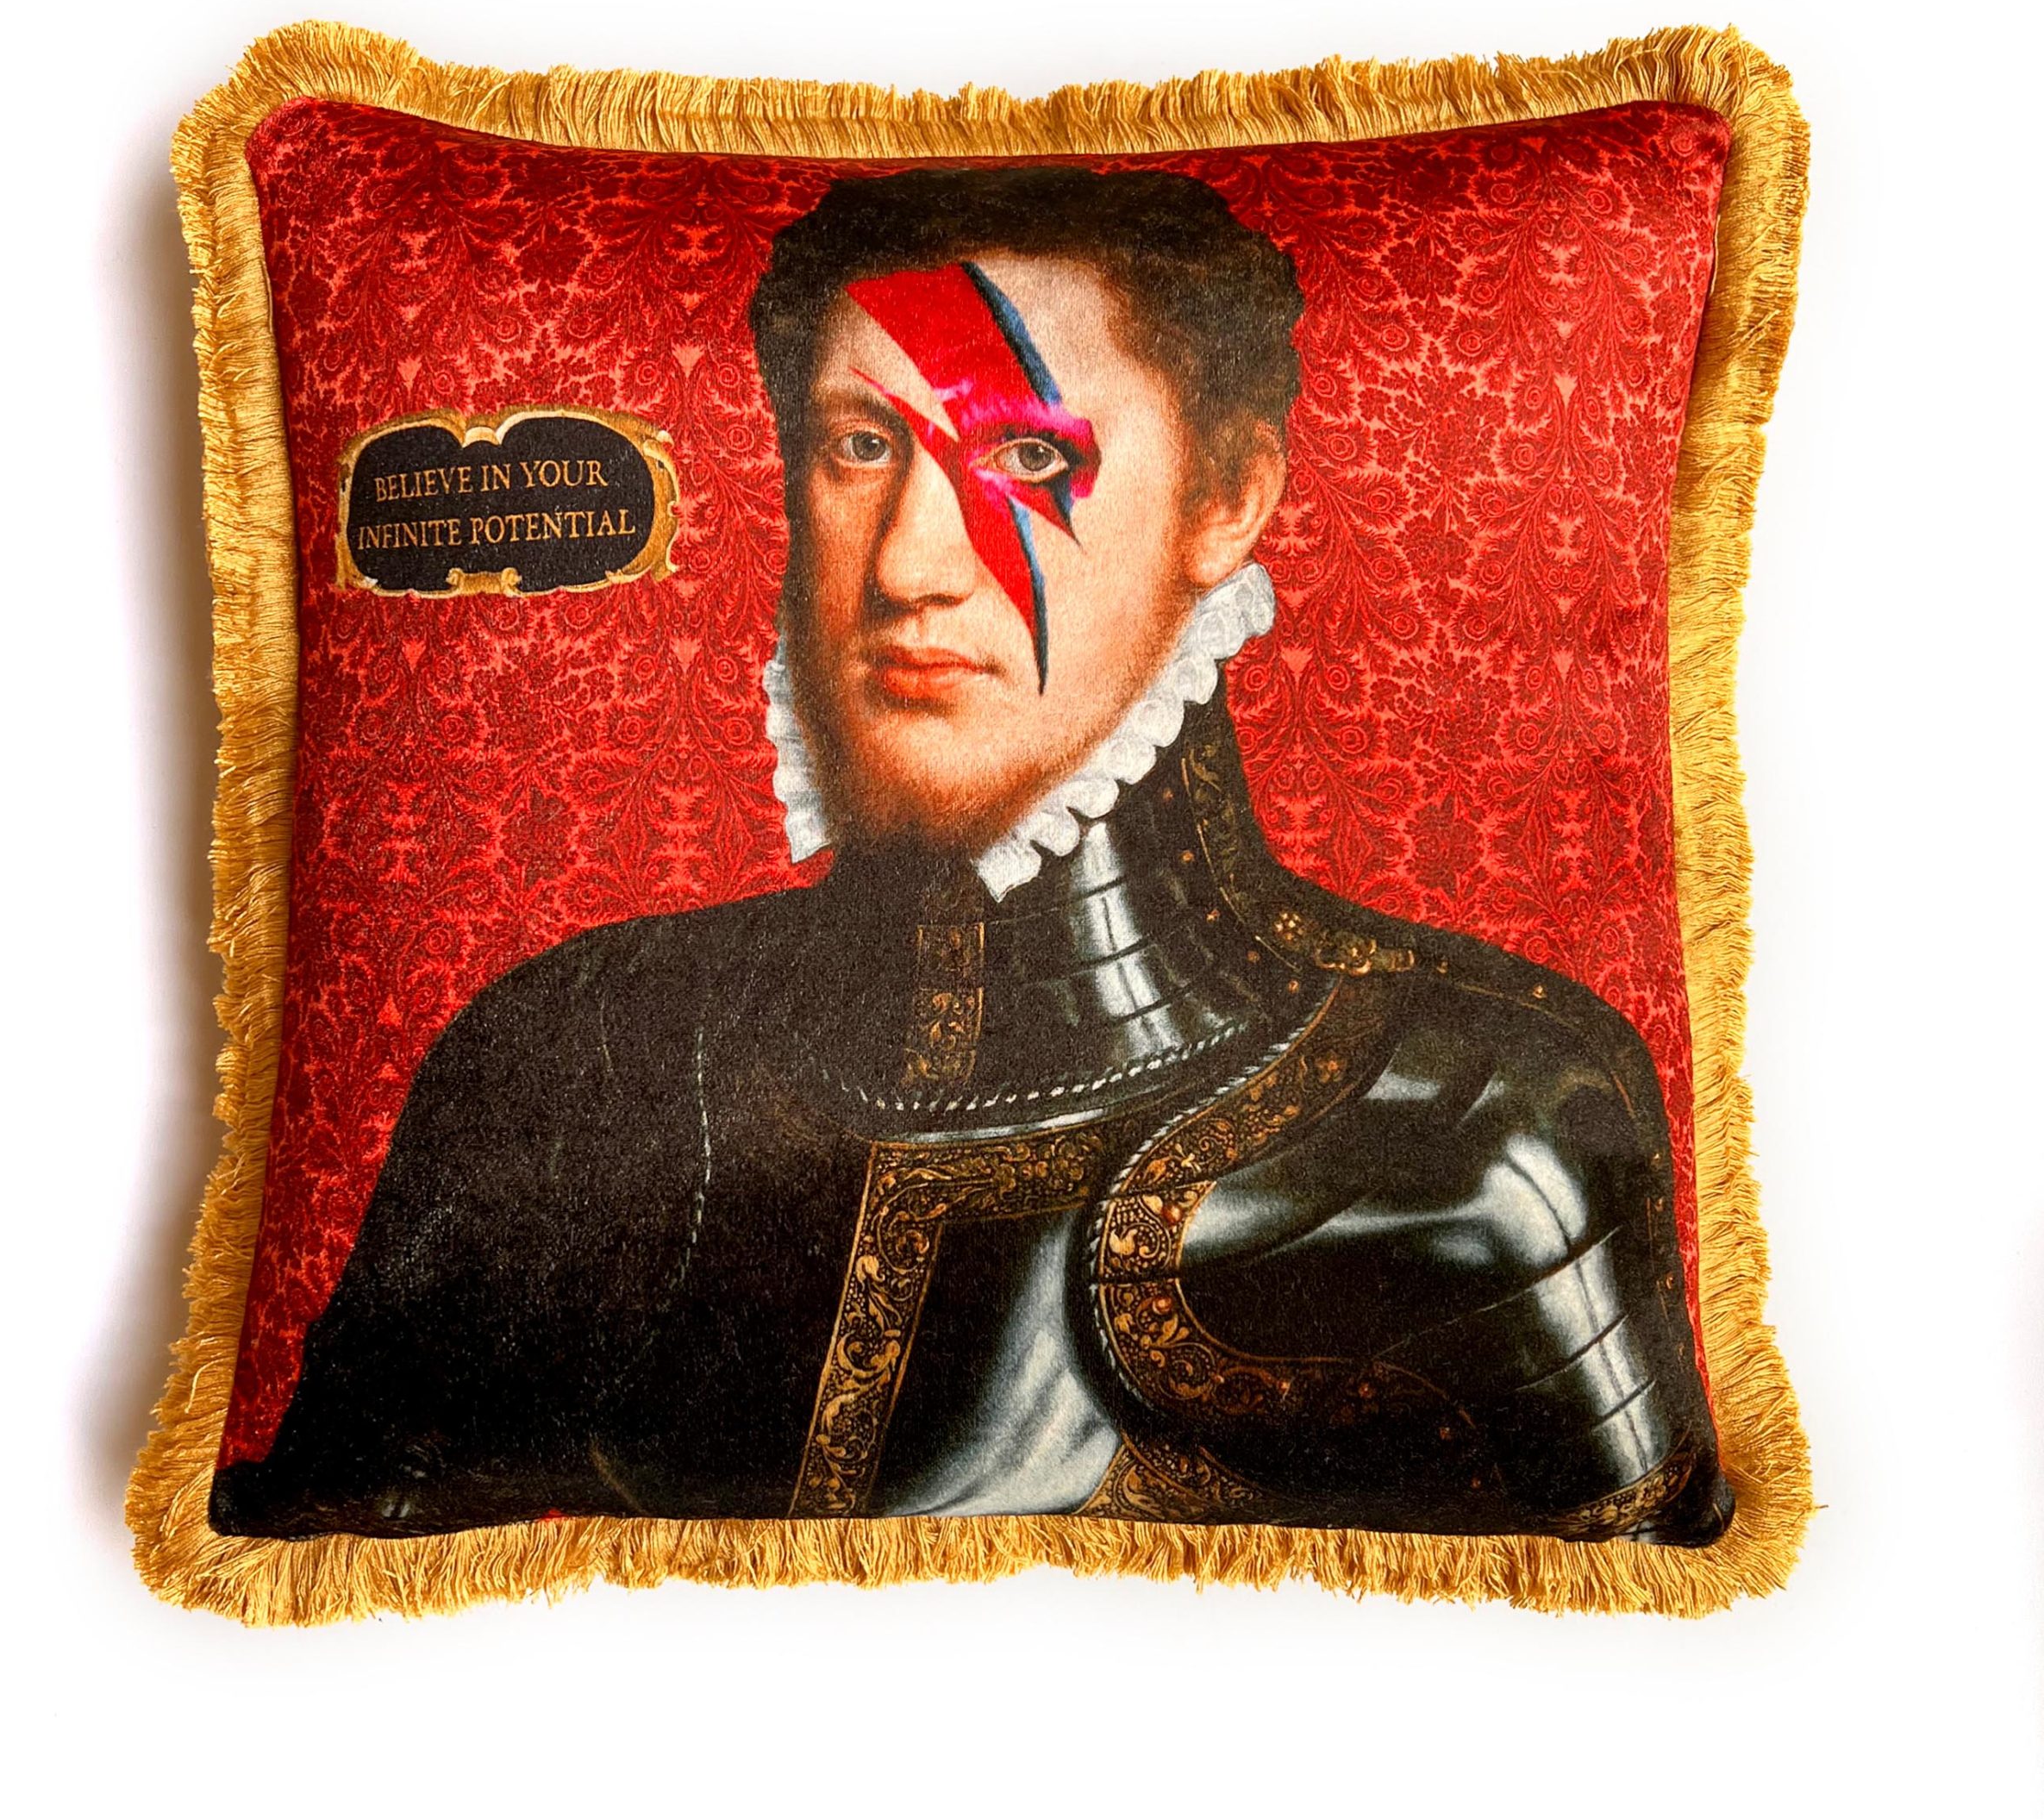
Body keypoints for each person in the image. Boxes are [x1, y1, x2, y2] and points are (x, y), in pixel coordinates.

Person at [211, 166, 1733, 1546]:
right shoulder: (569, 1062)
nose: (908, 563)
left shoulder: (1489, 1126)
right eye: (860, 445)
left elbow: (1655, 1686)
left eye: (1022, 451)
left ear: (1227, 499)